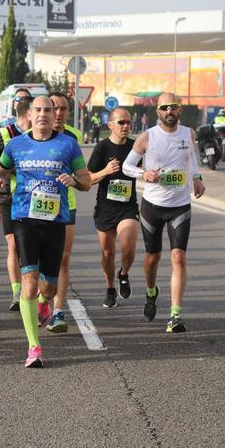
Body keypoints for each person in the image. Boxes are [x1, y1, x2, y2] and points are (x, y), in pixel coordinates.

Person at [0, 96, 91, 367]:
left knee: (48, 286)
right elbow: (0, 169)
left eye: (49, 110)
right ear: (30, 115)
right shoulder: (16, 144)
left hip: (56, 221)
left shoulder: (68, 144)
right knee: (30, 280)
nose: (44, 114)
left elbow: (86, 181)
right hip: (24, 218)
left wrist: (75, 180)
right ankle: (34, 347)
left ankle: (45, 303)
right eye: (39, 110)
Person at [122, 92, 206, 333]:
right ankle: (151, 291)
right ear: (158, 111)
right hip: (152, 206)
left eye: (174, 106)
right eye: (165, 107)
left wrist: (197, 178)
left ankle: (175, 316)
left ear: (180, 110)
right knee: (152, 258)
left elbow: (191, 159)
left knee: (178, 256)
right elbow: (128, 166)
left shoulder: (188, 133)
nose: (170, 111)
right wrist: (143, 174)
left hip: (180, 204)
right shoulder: (147, 137)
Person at [88, 108, 140, 309]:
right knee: (108, 253)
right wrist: (106, 171)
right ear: (110, 125)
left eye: (128, 122)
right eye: (121, 122)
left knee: (129, 245)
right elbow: (88, 179)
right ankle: (110, 287)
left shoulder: (135, 147)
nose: (126, 126)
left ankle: (124, 273)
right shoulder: (102, 148)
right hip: (105, 208)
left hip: (127, 207)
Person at [46, 92, 84, 333]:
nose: (59, 113)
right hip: (37, 204)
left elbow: (81, 173)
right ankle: (41, 299)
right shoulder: (34, 135)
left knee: (63, 258)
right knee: (39, 261)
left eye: (63, 109)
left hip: (66, 204)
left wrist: (76, 179)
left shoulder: (74, 136)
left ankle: (58, 311)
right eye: (54, 108)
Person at [0, 97, 32, 312]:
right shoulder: (4, 134)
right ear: (29, 114)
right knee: (13, 245)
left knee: (32, 245)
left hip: (34, 196)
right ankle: (17, 291)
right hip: (9, 195)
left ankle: (33, 285)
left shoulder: (42, 136)